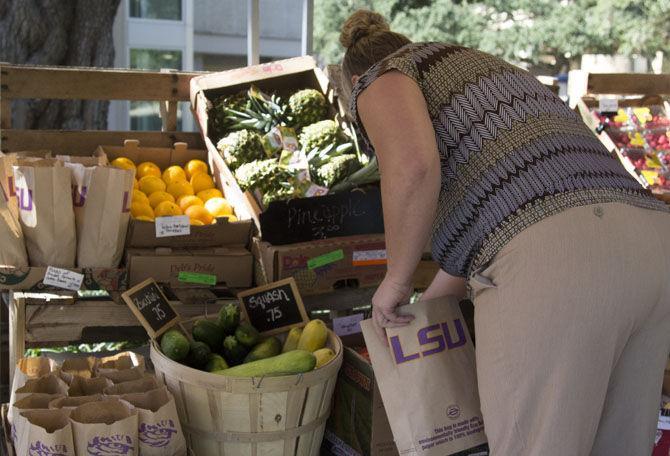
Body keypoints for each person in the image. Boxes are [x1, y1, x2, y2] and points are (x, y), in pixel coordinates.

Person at [340, 9, 670, 456]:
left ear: (355, 78)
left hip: (558, 261)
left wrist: (394, 282)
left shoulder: (381, 76)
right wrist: (422, 312)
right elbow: (503, 224)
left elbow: (414, 167)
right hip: (650, 248)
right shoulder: (480, 69)